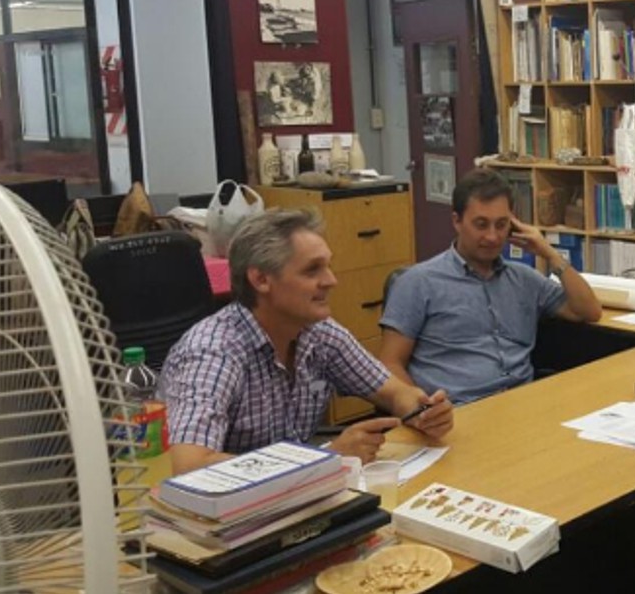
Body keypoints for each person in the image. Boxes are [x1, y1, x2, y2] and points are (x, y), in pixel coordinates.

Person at [159, 209, 453, 476]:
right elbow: (190, 466)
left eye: (328, 266)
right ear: (261, 280)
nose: (331, 280)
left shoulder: (318, 332)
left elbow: (393, 393)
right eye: (312, 270)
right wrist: (326, 458)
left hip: (297, 495)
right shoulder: (213, 351)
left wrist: (423, 411)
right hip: (225, 509)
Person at [378, 168, 602, 404]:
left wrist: (549, 253)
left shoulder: (524, 279)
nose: (493, 237)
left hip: (522, 404)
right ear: (457, 221)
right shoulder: (417, 282)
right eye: (481, 224)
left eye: (501, 224)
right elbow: (389, 364)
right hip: (458, 410)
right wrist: (423, 410)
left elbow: (589, 311)